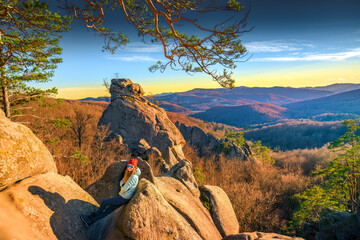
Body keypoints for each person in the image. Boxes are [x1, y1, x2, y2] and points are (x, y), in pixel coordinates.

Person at [80, 158, 141, 227]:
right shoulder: (130, 174)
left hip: (123, 197)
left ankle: (92, 217)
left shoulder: (133, 177)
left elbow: (123, 187)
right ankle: (90, 221)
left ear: (134, 167)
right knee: (107, 211)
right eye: (128, 166)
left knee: (104, 202)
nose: (129, 168)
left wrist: (123, 184)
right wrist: (123, 184)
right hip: (124, 196)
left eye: (131, 166)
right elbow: (122, 183)